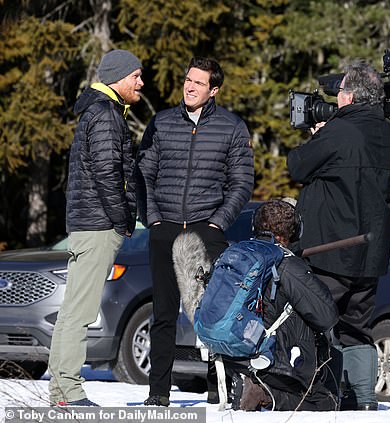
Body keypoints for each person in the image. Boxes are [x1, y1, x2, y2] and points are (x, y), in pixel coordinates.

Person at [135, 56, 254, 407]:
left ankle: (220, 390)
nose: (189, 86)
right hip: (165, 227)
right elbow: (143, 176)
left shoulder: (232, 127)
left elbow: (241, 183)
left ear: (213, 90)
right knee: (163, 313)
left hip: (207, 228)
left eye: (198, 83)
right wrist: (153, 219)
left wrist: (217, 222)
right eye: (187, 80)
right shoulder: (161, 123)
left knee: (216, 312)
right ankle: (158, 393)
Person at [286, 62, 390, 410]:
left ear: (348, 96)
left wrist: (319, 134)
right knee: (358, 329)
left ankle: (316, 396)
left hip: (330, 249)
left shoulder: (338, 132)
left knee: (314, 323)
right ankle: (364, 401)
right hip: (370, 253)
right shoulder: (388, 136)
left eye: (338, 95)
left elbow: (296, 166)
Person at [48, 49, 143, 406]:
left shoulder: (101, 111)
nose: (141, 83)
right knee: (81, 312)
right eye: (136, 76)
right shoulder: (105, 114)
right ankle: (69, 392)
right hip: (99, 224)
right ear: (118, 77)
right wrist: (122, 221)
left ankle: (60, 390)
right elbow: (108, 175)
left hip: (89, 223)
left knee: (73, 310)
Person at [226, 200, 339, 411]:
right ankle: (261, 393)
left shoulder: (237, 255)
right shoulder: (286, 264)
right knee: (328, 402)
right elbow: (327, 315)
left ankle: (253, 388)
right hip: (277, 361)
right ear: (294, 232)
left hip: (236, 352)